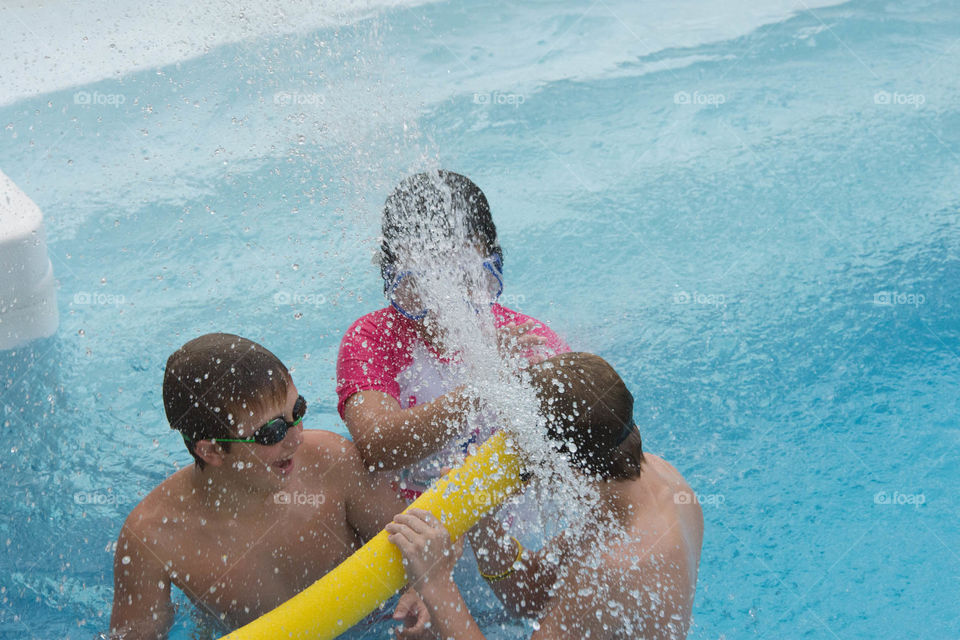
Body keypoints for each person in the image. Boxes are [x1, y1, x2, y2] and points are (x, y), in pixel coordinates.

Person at [109, 333, 430, 639]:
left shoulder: (331, 462)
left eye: (297, 411)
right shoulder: (152, 536)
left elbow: (421, 546)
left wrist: (423, 591)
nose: (296, 437)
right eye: (272, 432)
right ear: (212, 451)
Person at [386, 352, 704, 640]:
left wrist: (437, 585)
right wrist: (480, 517)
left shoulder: (614, 569)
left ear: (564, 464)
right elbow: (531, 594)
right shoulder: (656, 479)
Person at [337, 169, 569, 500]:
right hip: (409, 521)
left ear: (490, 264)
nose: (443, 296)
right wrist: (482, 385)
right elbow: (377, 446)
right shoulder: (373, 338)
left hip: (504, 522)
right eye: (424, 277)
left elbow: (571, 448)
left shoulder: (526, 339)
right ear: (392, 274)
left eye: (461, 272)